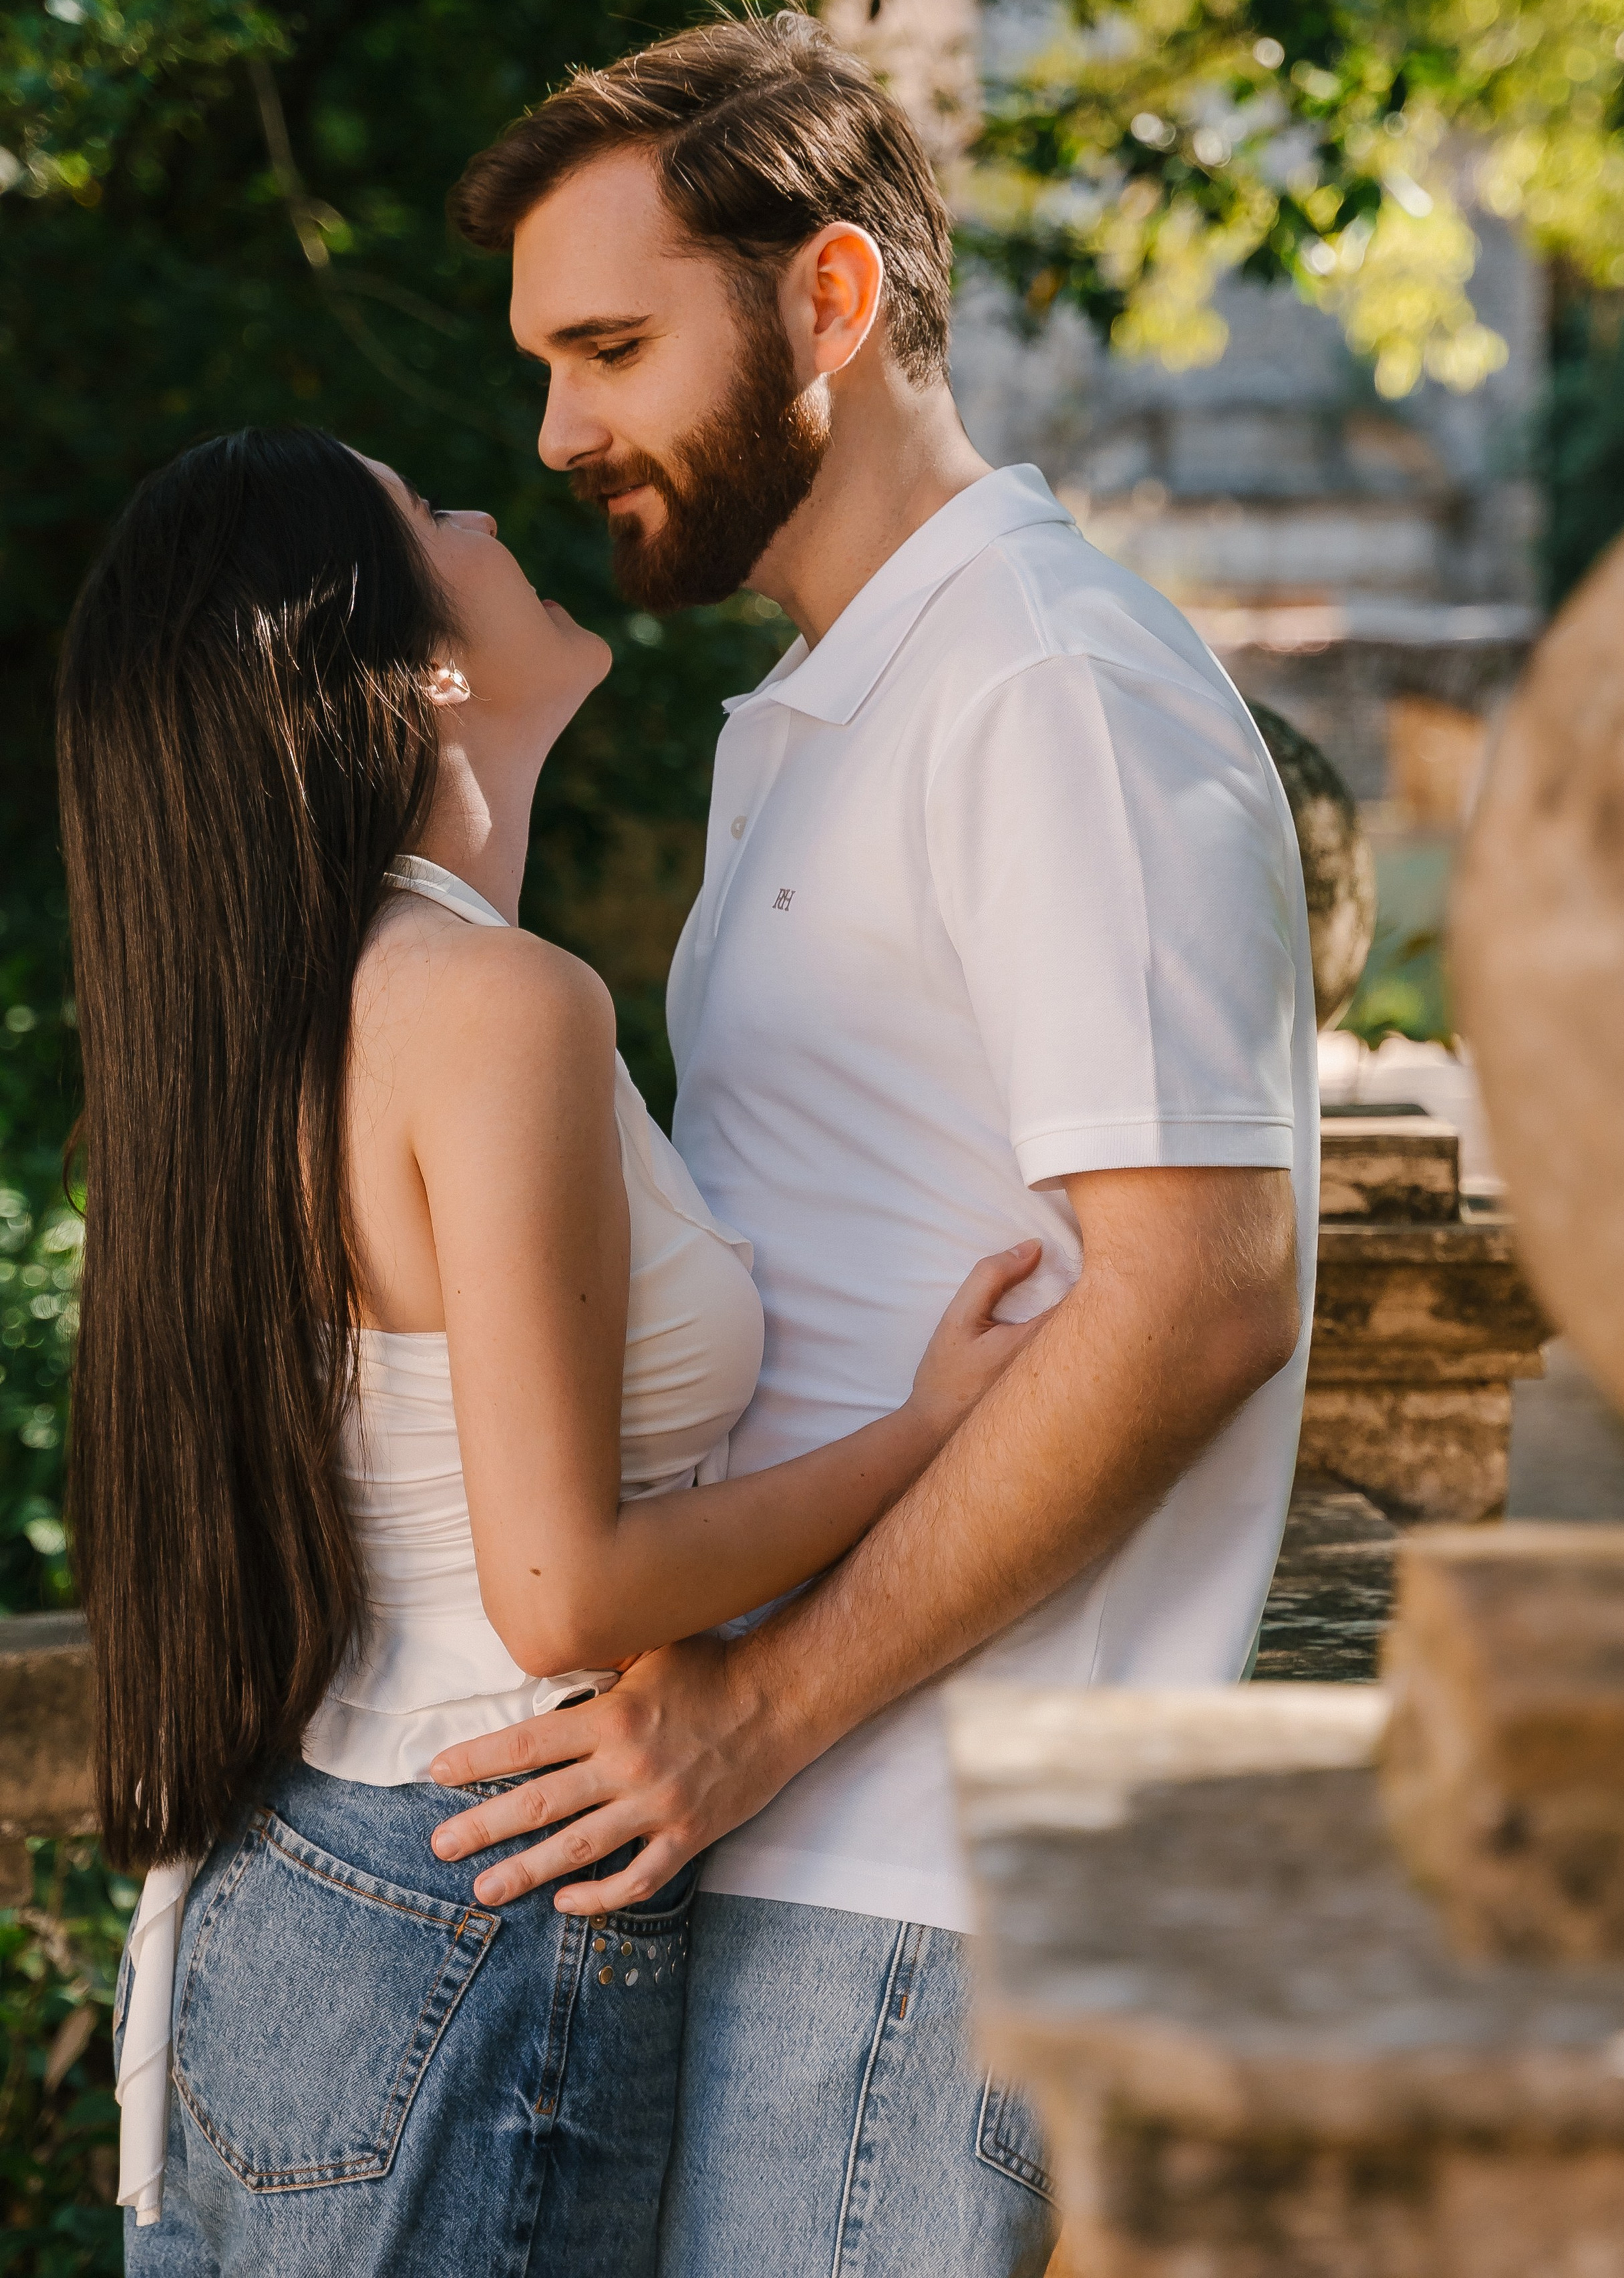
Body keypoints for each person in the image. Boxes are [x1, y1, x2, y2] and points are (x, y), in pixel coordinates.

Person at [426, 11, 1316, 2278]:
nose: (559, 432)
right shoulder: (822, 716)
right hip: (779, 1835)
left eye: (613, 345)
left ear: (829, 298)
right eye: (546, 364)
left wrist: (750, 1711)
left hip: (931, 1870)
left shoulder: (1051, 683)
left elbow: (1203, 1293)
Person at [61, 424, 1041, 2274]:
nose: (490, 511)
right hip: (481, 1897)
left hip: (323, 1867)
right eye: (429, 520)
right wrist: (929, 1433)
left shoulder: (288, 1011)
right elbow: (562, 1593)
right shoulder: (492, 1007)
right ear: (403, 670)